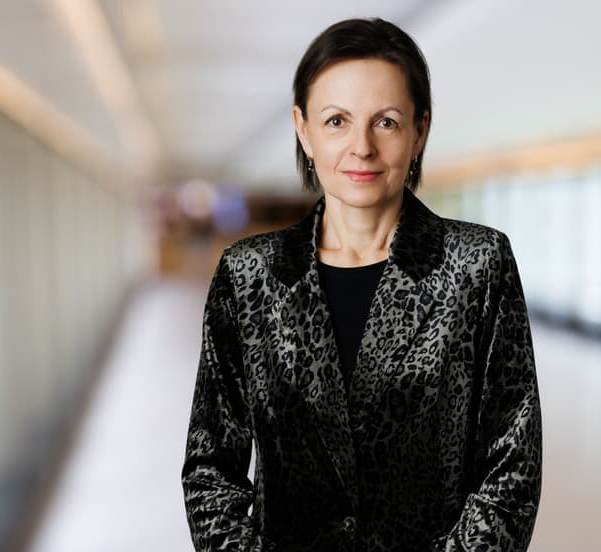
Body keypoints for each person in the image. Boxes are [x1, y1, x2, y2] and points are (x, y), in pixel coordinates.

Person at [182, 17, 542, 552]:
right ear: (303, 129)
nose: (362, 147)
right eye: (337, 121)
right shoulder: (249, 274)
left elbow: (511, 469)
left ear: (420, 130)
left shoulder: (476, 266)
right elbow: (211, 466)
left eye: (387, 122)